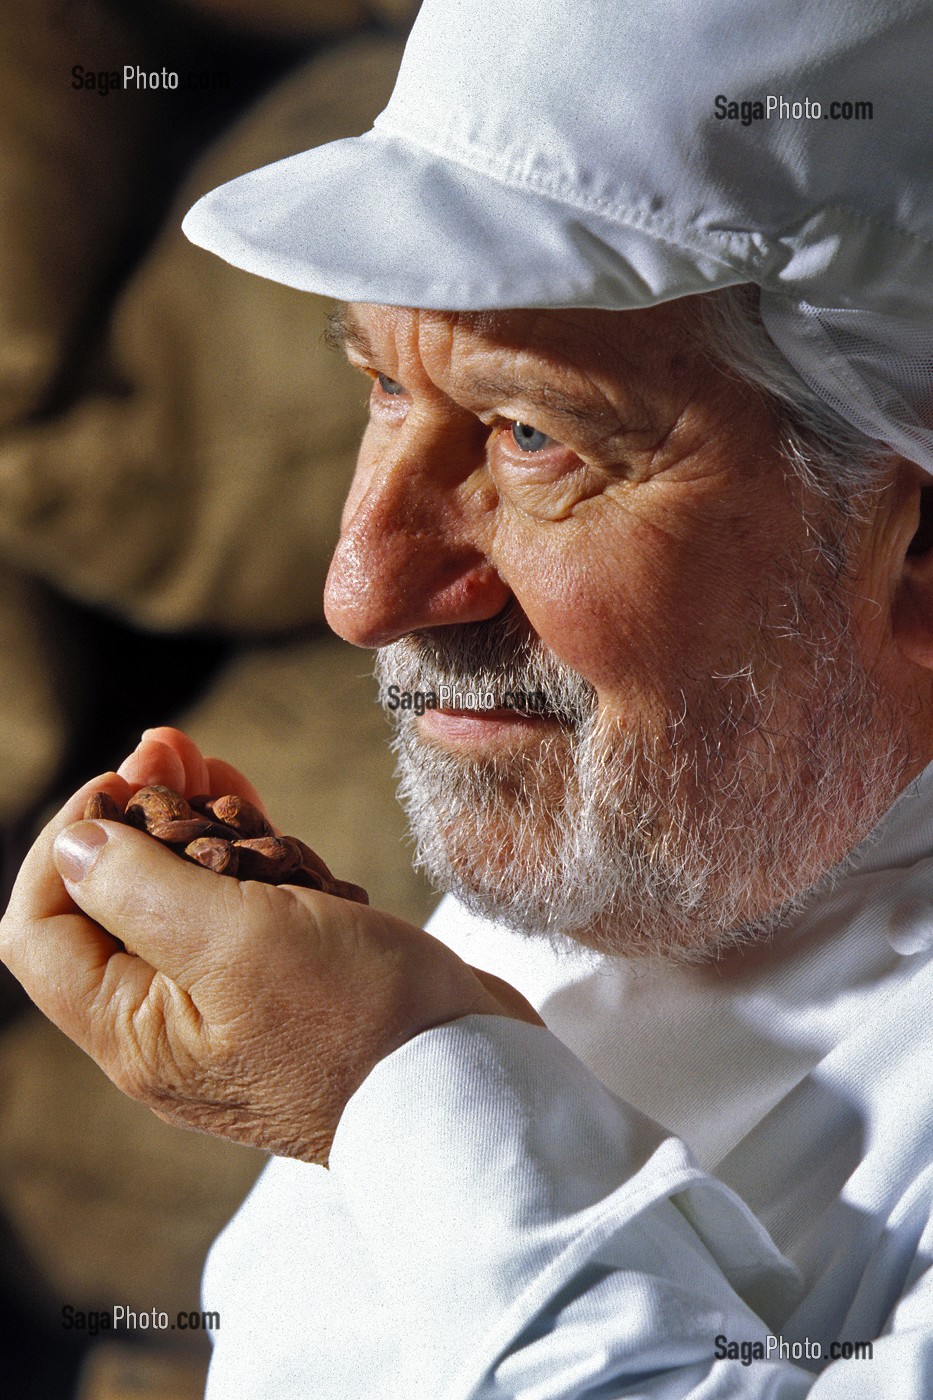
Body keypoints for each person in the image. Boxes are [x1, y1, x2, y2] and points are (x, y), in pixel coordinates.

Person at [4, 0, 933, 1393]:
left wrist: (403, 1079)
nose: (361, 593)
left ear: (912, 552)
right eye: (382, 385)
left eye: (531, 435)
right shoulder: (684, 810)